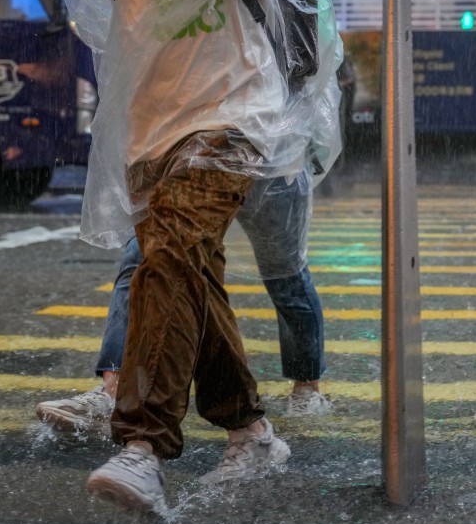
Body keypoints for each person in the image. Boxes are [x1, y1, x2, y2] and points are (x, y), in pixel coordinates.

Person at [0, 0, 342, 516]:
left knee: (167, 261)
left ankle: (143, 445)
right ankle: (250, 429)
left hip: (231, 117)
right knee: (190, 274)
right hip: (152, 128)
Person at [36, 169, 332, 434]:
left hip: (270, 161)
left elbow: (310, 110)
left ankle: (305, 386)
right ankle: (114, 390)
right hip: (195, 154)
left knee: (286, 277)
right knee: (143, 257)